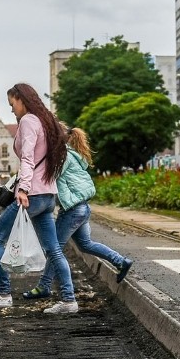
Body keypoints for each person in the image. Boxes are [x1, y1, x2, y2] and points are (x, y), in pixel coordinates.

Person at [0, 82, 77, 314]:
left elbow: (28, 158)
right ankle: (69, 300)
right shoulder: (46, 121)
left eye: (12, 104)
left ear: (22, 99)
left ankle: (3, 293)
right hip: (47, 195)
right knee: (53, 249)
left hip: (32, 195)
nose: (11, 109)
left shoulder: (29, 121)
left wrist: (22, 189)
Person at [23, 125, 132, 301]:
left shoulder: (62, 157)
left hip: (73, 210)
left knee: (54, 249)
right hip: (81, 208)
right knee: (85, 244)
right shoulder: (70, 154)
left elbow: (49, 176)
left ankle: (44, 286)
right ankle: (121, 261)